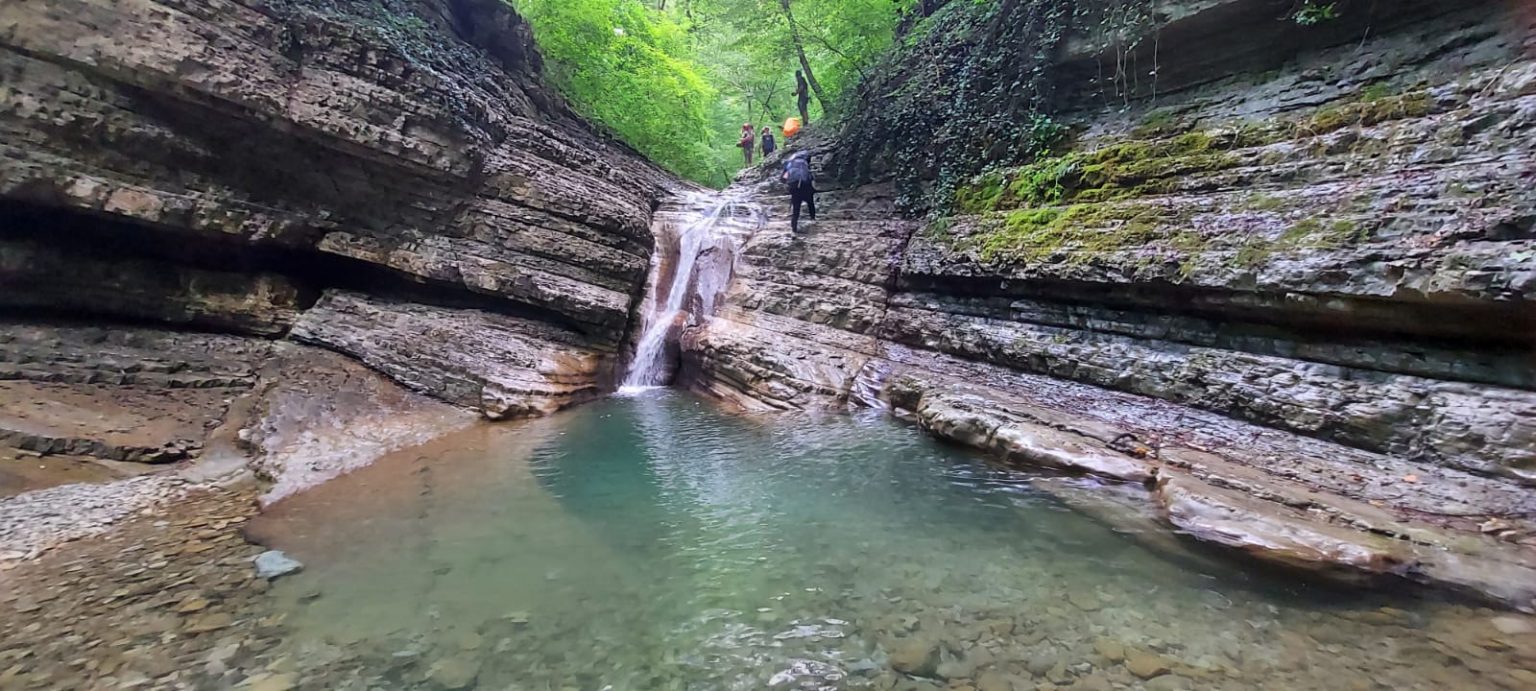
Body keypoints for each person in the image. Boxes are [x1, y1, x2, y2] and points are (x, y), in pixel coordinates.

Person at [781, 151, 816, 233]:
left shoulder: (790, 163)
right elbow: (810, 177)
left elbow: (783, 178)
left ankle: (794, 228)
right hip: (805, 186)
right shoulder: (804, 163)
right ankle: (813, 218)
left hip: (794, 187)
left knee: (796, 208)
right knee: (810, 202)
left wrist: (787, 184)